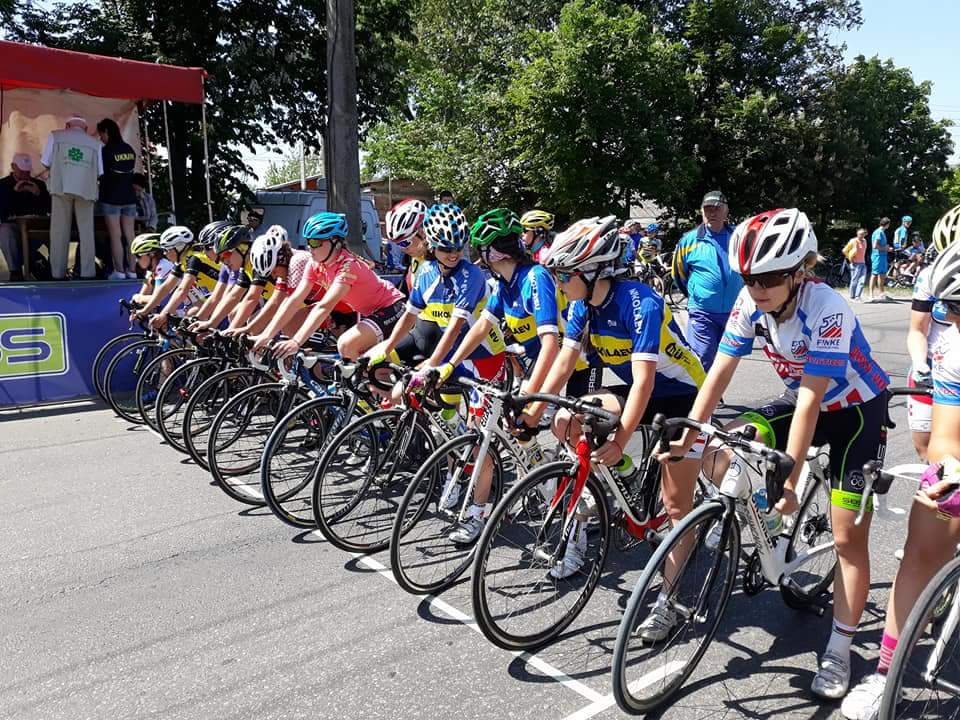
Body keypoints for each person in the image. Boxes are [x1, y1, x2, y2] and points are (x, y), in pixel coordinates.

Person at [662, 208, 889, 700]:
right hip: (799, 400)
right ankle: (764, 522)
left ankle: (839, 650)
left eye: (767, 278)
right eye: (748, 277)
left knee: (848, 536)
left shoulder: (827, 305)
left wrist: (788, 479)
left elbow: (812, 398)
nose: (756, 287)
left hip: (854, 412)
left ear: (799, 271)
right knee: (723, 442)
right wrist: (691, 434)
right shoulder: (749, 302)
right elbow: (719, 372)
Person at [528, 215, 705, 579]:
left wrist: (621, 440)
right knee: (566, 420)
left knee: (676, 505)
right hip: (650, 391)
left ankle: (751, 505)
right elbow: (563, 365)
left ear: (591, 272)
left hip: (684, 394)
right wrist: (532, 412)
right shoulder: (582, 306)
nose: (558, 284)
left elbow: (644, 383)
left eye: (564, 275)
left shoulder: (639, 301)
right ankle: (625, 478)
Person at [841, 240, 960, 720]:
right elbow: (948, 437)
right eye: (952, 308)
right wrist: (950, 468)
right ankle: (885, 674)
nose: (955, 322)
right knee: (924, 537)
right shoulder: (952, 346)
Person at [253, 211, 406, 360]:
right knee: (354, 366)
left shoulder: (348, 266)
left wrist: (296, 342)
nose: (309, 248)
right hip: (369, 313)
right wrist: (267, 335)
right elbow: (294, 301)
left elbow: (325, 307)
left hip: (391, 307)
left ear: (335, 241)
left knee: (347, 345)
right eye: (308, 242)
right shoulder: (315, 264)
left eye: (315, 242)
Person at [905, 205, 960, 461]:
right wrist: (919, 364)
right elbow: (917, 329)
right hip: (932, 367)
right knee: (928, 453)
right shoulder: (930, 276)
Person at [671, 190, 741, 370]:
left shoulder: (739, 237)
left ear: (726, 211)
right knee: (703, 357)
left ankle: (715, 396)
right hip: (702, 312)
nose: (712, 213)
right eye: (707, 209)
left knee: (726, 361)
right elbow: (678, 275)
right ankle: (703, 397)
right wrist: (698, 295)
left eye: (717, 208)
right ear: (701, 212)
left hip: (734, 313)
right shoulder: (689, 241)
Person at [41, 116, 103, 280]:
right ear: (85, 128)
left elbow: (45, 162)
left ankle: (57, 273)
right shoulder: (95, 144)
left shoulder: (56, 136)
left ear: (67, 125)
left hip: (61, 187)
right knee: (86, 232)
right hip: (86, 189)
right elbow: (99, 171)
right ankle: (88, 273)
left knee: (59, 232)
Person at [96, 118, 138, 280]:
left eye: (101, 134)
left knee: (115, 235)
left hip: (111, 197)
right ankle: (133, 271)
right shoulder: (129, 149)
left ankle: (119, 271)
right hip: (129, 197)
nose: (101, 138)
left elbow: (102, 175)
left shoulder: (105, 151)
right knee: (130, 235)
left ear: (106, 132)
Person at [0, 154, 51, 281]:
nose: (25, 174)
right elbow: (2, 211)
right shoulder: (3, 184)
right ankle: (16, 271)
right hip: (14, 226)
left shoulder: (38, 184)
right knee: (5, 231)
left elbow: (49, 208)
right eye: (22, 170)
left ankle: (52, 267)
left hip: (35, 227)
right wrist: (14, 193)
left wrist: (38, 194)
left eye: (27, 171)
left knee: (54, 230)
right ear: (13, 167)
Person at [867, 217, 890, 302]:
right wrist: (885, 248)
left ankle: (881, 293)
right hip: (878, 256)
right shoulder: (879, 232)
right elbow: (875, 246)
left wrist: (886, 248)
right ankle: (870, 294)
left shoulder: (882, 232)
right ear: (887, 224)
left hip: (883, 256)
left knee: (882, 274)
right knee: (874, 274)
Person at [842, 228, 867, 301]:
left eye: (863, 234)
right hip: (855, 263)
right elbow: (844, 250)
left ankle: (858, 296)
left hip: (862, 263)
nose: (862, 236)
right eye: (860, 234)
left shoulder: (865, 241)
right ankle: (852, 296)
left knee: (862, 280)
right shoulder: (853, 241)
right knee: (854, 280)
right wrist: (850, 258)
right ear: (857, 234)